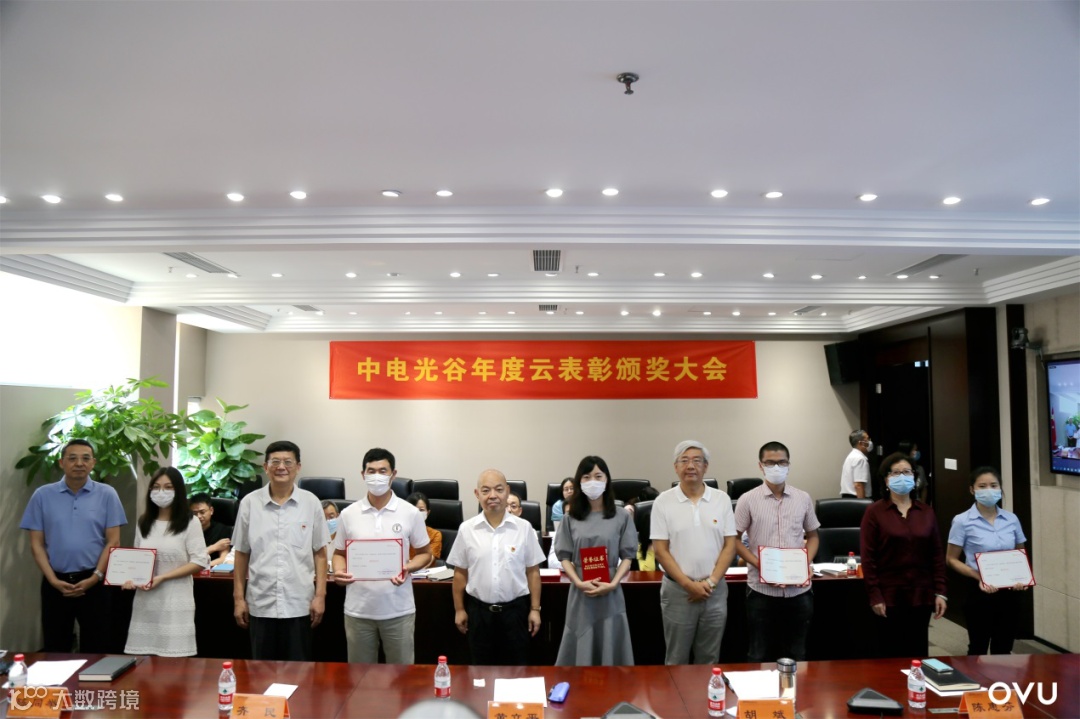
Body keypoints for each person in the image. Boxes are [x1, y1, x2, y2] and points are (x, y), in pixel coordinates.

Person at [21, 439, 127, 653]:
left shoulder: (107, 494)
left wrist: (95, 577)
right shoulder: (42, 495)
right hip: (55, 582)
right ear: (62, 463)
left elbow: (113, 541)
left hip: (95, 582)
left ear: (93, 463)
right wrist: (53, 580)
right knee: (55, 646)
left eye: (85, 458)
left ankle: (93, 679)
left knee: (97, 648)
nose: (79, 463)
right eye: (72, 458)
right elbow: (36, 544)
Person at [232, 440, 330, 661]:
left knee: (299, 672)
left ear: (298, 467)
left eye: (288, 462)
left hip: (299, 604)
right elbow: (241, 553)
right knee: (260, 671)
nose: (281, 467)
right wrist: (239, 598)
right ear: (266, 467)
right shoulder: (249, 503)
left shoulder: (311, 503)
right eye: (275, 462)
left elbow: (320, 553)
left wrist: (320, 596)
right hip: (260, 603)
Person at [332, 448, 431, 664]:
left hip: (398, 610)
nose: (377, 476)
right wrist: (339, 570)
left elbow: (425, 554)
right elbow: (339, 554)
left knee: (401, 676)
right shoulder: (348, 514)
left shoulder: (410, 512)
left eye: (383, 471)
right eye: (371, 471)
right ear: (363, 474)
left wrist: (408, 567)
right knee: (360, 677)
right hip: (358, 611)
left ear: (393, 474)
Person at [651, 440, 738, 665]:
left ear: (705, 467)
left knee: (709, 658)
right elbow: (660, 550)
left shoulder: (721, 499)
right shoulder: (662, 502)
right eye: (684, 460)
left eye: (697, 461)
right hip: (678, 592)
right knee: (676, 659)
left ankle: (706, 692)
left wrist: (711, 582)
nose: (691, 466)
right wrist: (688, 585)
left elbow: (730, 545)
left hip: (714, 591)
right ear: (676, 467)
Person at [447, 469, 545, 665]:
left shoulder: (524, 528)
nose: (492, 496)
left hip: (515, 613)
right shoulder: (467, 529)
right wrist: (459, 609)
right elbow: (460, 573)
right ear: (477, 494)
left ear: (507, 491)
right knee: (480, 672)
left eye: (499, 489)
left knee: (516, 671)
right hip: (479, 613)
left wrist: (535, 609)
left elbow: (533, 572)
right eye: (486, 490)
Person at [734, 441, 820, 662]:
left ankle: (795, 687)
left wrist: (805, 562)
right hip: (761, 591)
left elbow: (813, 536)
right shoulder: (747, 499)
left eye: (782, 462)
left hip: (798, 591)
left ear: (789, 464)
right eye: (770, 463)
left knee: (798, 654)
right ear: (760, 466)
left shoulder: (803, 498)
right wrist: (759, 563)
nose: (776, 467)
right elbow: (734, 540)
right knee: (759, 654)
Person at [860, 451, 947, 659]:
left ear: (914, 477)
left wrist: (941, 591)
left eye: (907, 472)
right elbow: (868, 558)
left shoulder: (926, 512)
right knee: (890, 654)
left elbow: (937, 554)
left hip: (921, 594)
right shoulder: (874, 512)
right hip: (888, 595)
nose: (902, 477)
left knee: (917, 653)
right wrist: (875, 595)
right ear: (886, 479)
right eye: (896, 473)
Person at [554, 456, 637, 666]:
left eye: (598, 476)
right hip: (581, 591)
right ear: (579, 482)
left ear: (607, 480)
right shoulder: (570, 518)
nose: (593, 481)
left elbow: (628, 556)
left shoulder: (621, 516)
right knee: (580, 640)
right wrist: (578, 582)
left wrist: (614, 583)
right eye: (587, 477)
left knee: (610, 638)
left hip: (610, 589)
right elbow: (564, 556)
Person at [123, 467, 210, 656]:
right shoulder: (144, 522)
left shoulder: (190, 522)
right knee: (143, 663)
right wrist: (129, 578)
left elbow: (199, 561)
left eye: (168, 487)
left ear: (178, 490)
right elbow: (137, 560)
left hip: (175, 601)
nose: (161, 492)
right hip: (145, 603)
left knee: (174, 662)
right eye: (156, 487)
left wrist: (163, 577)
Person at [946, 466, 1029, 655]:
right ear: (972, 490)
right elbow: (951, 559)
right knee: (978, 646)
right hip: (979, 591)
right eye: (982, 486)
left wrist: (1021, 578)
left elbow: (1020, 554)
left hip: (1010, 592)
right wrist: (978, 576)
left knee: (1004, 647)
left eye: (993, 485)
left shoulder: (1011, 519)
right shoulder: (962, 521)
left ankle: (1001, 676)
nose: (989, 490)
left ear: (1000, 488)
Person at [189, 493, 232, 566]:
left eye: (202, 512)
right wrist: (214, 547)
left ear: (211, 510)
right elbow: (186, 559)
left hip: (213, 570)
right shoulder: (186, 531)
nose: (198, 516)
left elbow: (223, 559)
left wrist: (201, 568)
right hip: (189, 570)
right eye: (194, 513)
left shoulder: (222, 530)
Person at [406, 491, 443, 565]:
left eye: (421, 510)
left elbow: (428, 560)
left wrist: (409, 567)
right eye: (413, 509)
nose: (417, 513)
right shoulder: (400, 532)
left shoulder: (435, 535)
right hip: (401, 571)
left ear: (428, 513)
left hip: (424, 571)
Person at [840, 429, 873, 498]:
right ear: (860, 443)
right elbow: (858, 485)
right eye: (867, 439)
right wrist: (862, 503)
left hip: (847, 498)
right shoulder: (860, 459)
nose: (869, 442)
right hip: (856, 498)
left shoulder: (851, 456)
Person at [322, 500, 340, 569]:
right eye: (324, 518)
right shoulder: (314, 538)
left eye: (331, 517)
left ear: (338, 516)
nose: (328, 521)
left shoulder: (345, 536)